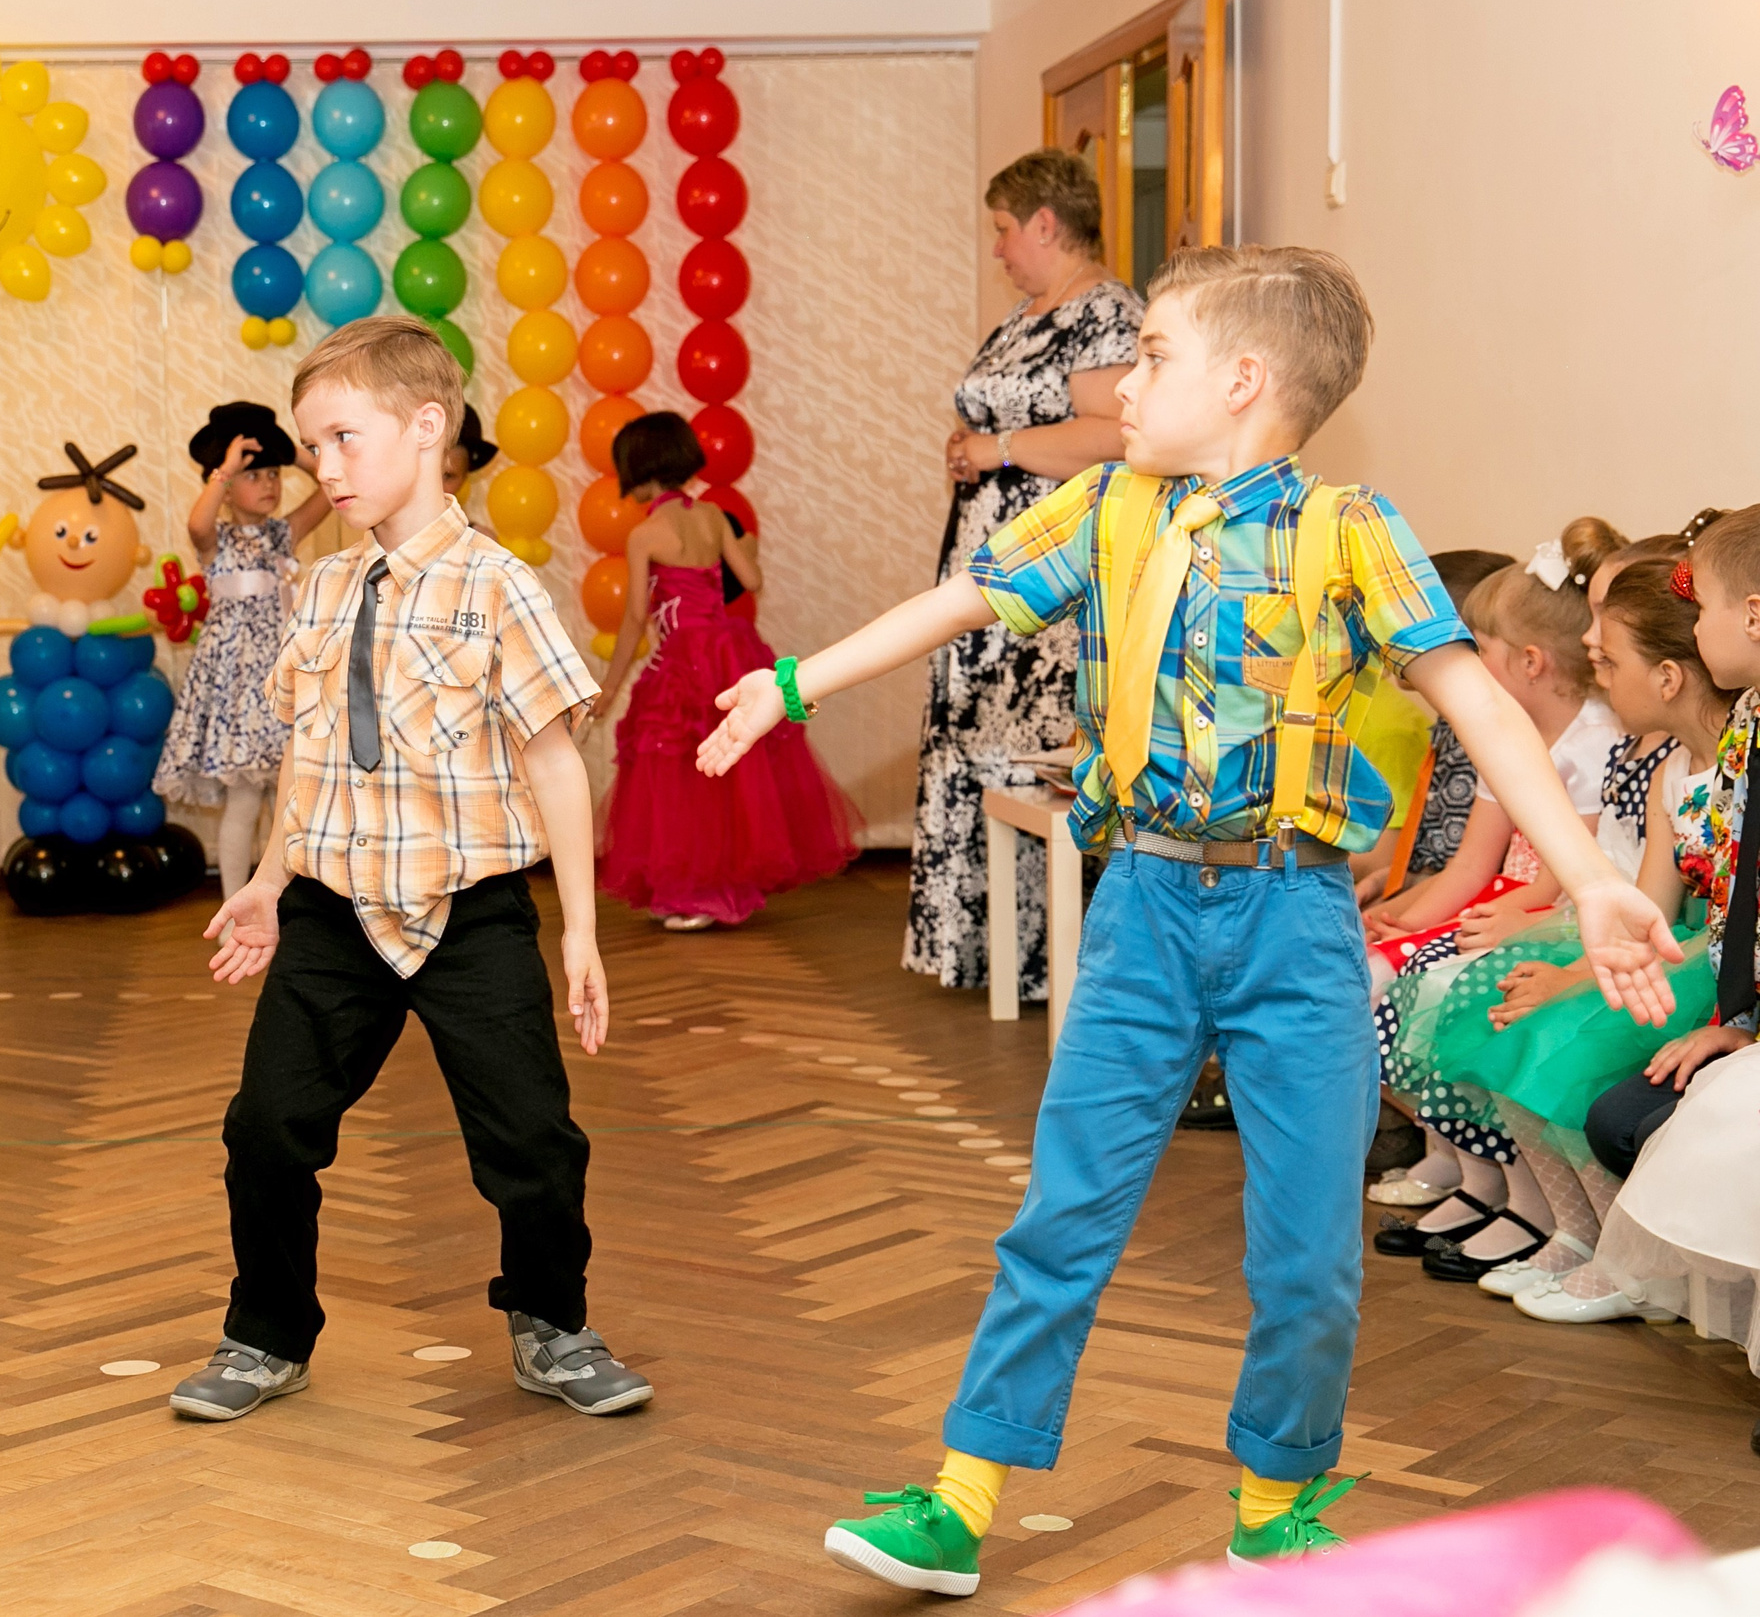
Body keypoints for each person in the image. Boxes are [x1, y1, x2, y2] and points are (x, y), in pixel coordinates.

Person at [695, 246, 1684, 1593]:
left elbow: (1479, 702)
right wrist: (792, 682)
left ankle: (1278, 1501)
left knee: (1308, 1250)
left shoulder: (1350, 529)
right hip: (1148, 908)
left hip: (1298, 924)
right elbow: (963, 599)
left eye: (1153, 354)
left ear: (1243, 378)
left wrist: (1589, 875)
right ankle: (963, 1492)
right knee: (1064, 1211)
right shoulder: (1104, 506)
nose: (1128, 376)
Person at [171, 316, 650, 1424]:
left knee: (532, 1138)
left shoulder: (500, 586)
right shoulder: (322, 589)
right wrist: (268, 878)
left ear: (426, 426)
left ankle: (552, 1320)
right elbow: (310, 756)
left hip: (470, 914)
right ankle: (264, 1330)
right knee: (265, 1129)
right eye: (311, 448)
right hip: (332, 914)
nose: (322, 469)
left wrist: (577, 929)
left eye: (342, 438)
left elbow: (556, 766)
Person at [1403, 556, 1727, 1313]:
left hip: (1705, 961)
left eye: (1608, 663)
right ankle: (1578, 1234)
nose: (1597, 677)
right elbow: (1645, 905)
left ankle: (1628, 1258)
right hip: (1663, 947)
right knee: (1512, 1030)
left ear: (1670, 678)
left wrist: (1578, 984)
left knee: (1562, 1052)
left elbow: (1703, 930)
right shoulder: (1672, 772)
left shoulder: (1728, 774)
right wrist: (1575, 973)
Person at [910, 148, 1143, 1005]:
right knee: (977, 744)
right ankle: (993, 952)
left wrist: (996, 449)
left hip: (1051, 585)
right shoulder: (1028, 313)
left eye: (1006, 231)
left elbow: (1115, 433)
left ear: (1047, 223)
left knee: (1030, 756)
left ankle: (1053, 961)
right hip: (995, 554)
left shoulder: (1106, 314)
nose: (1000, 249)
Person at [1361, 535, 1630, 1276]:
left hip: (1538, 909)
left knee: (1431, 994)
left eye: (1474, 650)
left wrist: (1511, 919)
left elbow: (1561, 873)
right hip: (1501, 900)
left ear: (1529, 662)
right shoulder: (1506, 739)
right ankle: (1470, 1171)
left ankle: (1510, 1190)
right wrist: (1397, 917)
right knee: (1369, 971)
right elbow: (1470, 864)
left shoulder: (1593, 744)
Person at [1555, 507, 1760, 1341]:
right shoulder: (1747, 720)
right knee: (1625, 1118)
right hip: (1744, 1002)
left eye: (1701, 604)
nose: (1697, 622)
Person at [589, 410, 860, 930]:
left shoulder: (646, 535)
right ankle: (717, 887)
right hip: (731, 653)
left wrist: (609, 686)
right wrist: (748, 548)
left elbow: (634, 620)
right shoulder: (713, 517)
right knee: (731, 771)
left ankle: (697, 892)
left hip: (683, 662)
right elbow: (751, 580)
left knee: (685, 775)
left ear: (639, 470)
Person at [152, 401, 330, 899]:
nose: (270, 484)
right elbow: (196, 525)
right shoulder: (218, 541)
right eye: (256, 477)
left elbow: (331, 488)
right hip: (238, 693)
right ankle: (235, 908)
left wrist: (291, 452)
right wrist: (225, 470)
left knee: (289, 803)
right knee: (246, 803)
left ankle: (288, 907)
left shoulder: (284, 532)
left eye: (274, 475)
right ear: (227, 487)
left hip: (285, 681)